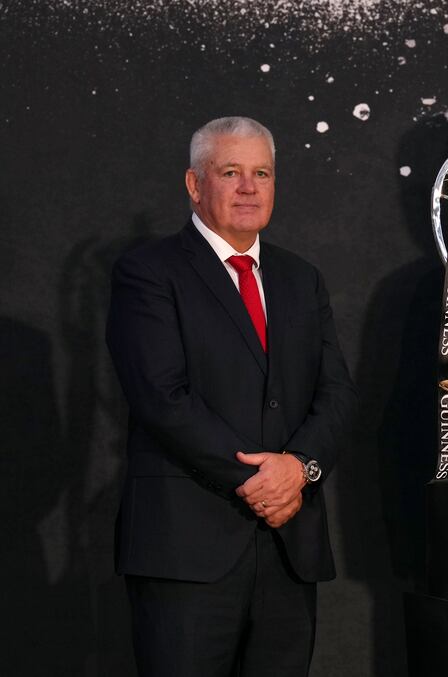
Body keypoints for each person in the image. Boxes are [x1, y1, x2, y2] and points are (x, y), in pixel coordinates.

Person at [106, 116, 357, 676]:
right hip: (186, 549)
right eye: (231, 172)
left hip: (289, 546)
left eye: (261, 173)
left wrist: (300, 468)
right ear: (196, 185)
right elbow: (161, 397)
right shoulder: (148, 272)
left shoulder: (300, 278)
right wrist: (260, 480)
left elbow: (336, 392)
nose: (249, 187)